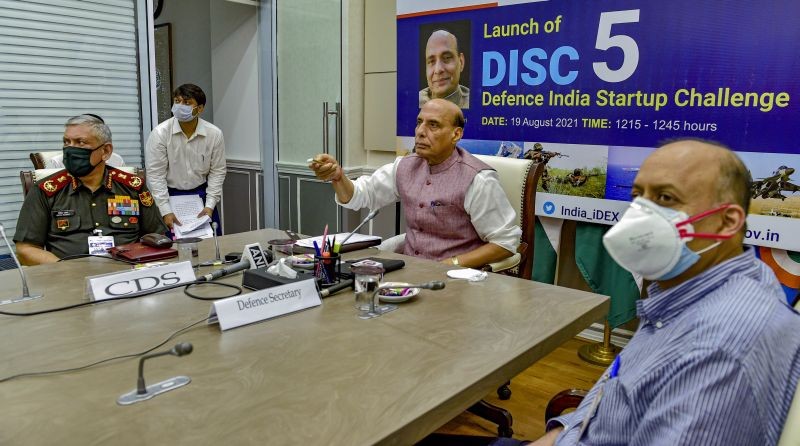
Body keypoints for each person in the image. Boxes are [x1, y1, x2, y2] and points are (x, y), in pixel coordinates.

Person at [494, 139, 800, 446]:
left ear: (726, 221)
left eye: (665, 198)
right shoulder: (689, 291)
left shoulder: (719, 346)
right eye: (639, 197)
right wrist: (561, 433)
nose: (640, 214)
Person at [309, 99, 519, 268]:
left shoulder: (478, 179)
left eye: (433, 125)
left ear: (456, 134)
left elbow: (505, 243)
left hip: (457, 282)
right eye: (419, 122)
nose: (420, 131)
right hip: (408, 271)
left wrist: (449, 265)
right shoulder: (405, 166)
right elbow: (359, 196)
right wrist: (338, 177)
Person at [13, 115, 166, 265]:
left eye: (81, 142)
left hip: (126, 272)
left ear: (105, 151)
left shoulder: (133, 187)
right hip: (68, 278)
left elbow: (157, 236)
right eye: (67, 142)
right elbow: (25, 249)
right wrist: (66, 270)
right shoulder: (45, 190)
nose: (71, 149)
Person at [145, 83, 226, 235]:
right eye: (177, 101)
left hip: (202, 197)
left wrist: (210, 205)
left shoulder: (214, 134)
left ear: (200, 108)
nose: (180, 106)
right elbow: (155, 175)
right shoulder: (160, 133)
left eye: (187, 103)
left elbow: (217, 172)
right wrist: (165, 210)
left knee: (209, 245)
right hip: (170, 196)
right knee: (173, 249)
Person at [419, 30, 470, 109]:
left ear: (461, 62)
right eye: (431, 61)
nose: (438, 70)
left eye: (447, 58)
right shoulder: (413, 102)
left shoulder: (475, 103)